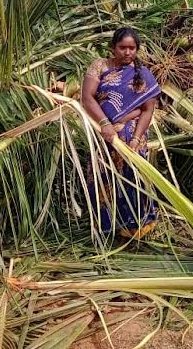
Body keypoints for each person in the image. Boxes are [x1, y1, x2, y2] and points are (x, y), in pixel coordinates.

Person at [81, 27, 161, 239]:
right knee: (104, 176)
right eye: (122, 48)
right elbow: (87, 98)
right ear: (113, 48)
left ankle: (137, 226)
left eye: (132, 48)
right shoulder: (100, 66)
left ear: (137, 49)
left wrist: (135, 138)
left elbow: (147, 109)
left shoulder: (143, 74)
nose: (127, 52)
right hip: (103, 132)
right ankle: (108, 227)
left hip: (133, 135)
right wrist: (105, 123)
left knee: (134, 176)